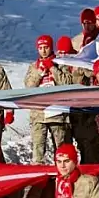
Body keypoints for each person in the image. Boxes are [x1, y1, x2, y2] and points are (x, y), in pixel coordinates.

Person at [25, 35, 72, 164]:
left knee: (62, 149)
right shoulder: (33, 66)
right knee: (38, 150)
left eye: (46, 47)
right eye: (40, 48)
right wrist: (40, 72)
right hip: (38, 113)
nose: (44, 50)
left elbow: (67, 83)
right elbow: (28, 86)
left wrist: (52, 68)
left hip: (57, 113)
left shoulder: (60, 63)